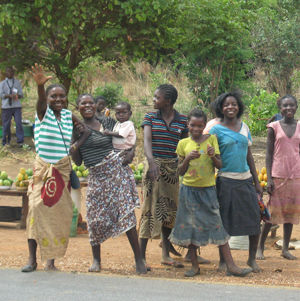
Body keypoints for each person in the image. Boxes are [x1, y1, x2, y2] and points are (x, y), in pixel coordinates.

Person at [21, 64, 90, 272]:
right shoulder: (43, 114)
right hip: (42, 170)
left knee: (58, 214)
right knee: (35, 211)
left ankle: (51, 261)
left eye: (62, 96)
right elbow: (41, 102)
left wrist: (74, 146)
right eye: (54, 96)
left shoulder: (69, 116)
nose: (58, 100)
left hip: (62, 172)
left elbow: (85, 131)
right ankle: (32, 260)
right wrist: (41, 87)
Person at [169, 109, 253, 277]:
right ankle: (194, 266)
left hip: (208, 190)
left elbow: (220, 165)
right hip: (188, 191)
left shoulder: (212, 140)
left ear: (204, 126)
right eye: (192, 125)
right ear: (188, 125)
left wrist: (213, 156)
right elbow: (180, 171)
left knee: (217, 224)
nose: (196, 129)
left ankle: (231, 265)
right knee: (190, 229)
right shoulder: (183, 144)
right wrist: (187, 159)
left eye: (200, 126)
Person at [71, 94, 146, 274]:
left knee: (126, 213)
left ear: (95, 105)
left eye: (91, 103)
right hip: (96, 175)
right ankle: (96, 260)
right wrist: (75, 136)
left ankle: (139, 259)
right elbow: (78, 161)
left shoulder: (108, 122)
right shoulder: (75, 128)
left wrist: (132, 152)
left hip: (116, 170)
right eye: (83, 103)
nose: (88, 106)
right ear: (78, 107)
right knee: (95, 217)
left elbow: (127, 139)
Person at [209, 92, 264, 273]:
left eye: (234, 104)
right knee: (224, 221)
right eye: (226, 105)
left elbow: (249, 156)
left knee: (255, 220)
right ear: (221, 108)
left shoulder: (245, 127)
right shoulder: (215, 130)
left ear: (239, 107)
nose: (230, 107)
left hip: (246, 180)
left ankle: (251, 259)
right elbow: (211, 156)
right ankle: (223, 261)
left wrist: (256, 181)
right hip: (225, 180)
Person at [257, 95, 300, 261]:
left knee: (290, 213)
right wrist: (269, 179)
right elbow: (268, 154)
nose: (288, 108)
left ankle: (285, 248)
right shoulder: (273, 127)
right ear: (280, 108)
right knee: (272, 213)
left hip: (295, 175)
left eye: (292, 105)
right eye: (285, 106)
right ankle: (260, 247)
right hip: (278, 174)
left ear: (296, 107)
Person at [139, 84, 191, 269]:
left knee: (170, 210)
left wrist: (182, 164)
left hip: (173, 169)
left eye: (156, 97)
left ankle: (165, 255)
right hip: (154, 167)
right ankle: (141, 257)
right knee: (149, 209)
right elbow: (147, 141)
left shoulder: (182, 120)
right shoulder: (150, 117)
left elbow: (184, 144)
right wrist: (152, 163)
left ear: (167, 101)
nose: (153, 100)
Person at [0, 67, 25, 147]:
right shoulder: (3, 83)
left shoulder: (17, 82)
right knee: (6, 124)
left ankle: (20, 141)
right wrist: (9, 96)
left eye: (11, 71)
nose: (10, 73)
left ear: (13, 73)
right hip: (6, 107)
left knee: (18, 123)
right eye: (8, 71)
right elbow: (1, 95)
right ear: (5, 73)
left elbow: (21, 94)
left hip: (16, 106)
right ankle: (6, 141)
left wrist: (17, 96)